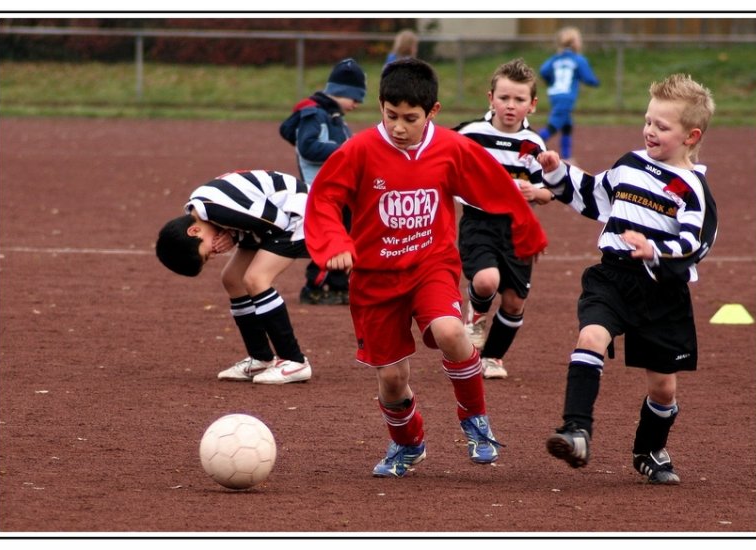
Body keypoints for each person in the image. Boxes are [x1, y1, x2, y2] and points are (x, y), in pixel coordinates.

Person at [303, 58, 548, 477]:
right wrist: (335, 243)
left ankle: (475, 421)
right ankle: (408, 443)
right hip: (375, 279)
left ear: (432, 112)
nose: (399, 127)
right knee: (393, 379)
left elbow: (494, 186)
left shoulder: (451, 148)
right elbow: (323, 199)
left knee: (452, 331)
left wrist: (527, 232)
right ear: (380, 106)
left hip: (430, 264)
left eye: (410, 118)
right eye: (391, 115)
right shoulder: (358, 151)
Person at [537, 74, 717, 484]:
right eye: (648, 121)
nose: (650, 130)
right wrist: (557, 172)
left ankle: (649, 449)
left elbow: (696, 243)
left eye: (662, 126)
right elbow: (592, 194)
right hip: (612, 277)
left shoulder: (692, 189)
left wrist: (655, 250)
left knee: (664, 390)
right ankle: (576, 430)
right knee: (590, 338)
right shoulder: (629, 164)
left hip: (661, 290)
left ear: (691, 136)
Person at [155, 169, 313, 385]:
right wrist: (234, 234)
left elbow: (276, 222)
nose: (214, 254)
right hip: (269, 222)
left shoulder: (220, 211)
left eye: (207, 253)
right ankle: (261, 358)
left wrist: (234, 235)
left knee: (256, 278)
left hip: (299, 214)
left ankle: (294, 361)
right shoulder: (200, 209)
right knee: (232, 279)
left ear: (194, 232)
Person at [453, 58, 554, 380]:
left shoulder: (534, 145)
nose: (510, 106)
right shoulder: (470, 134)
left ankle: (492, 357)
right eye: (504, 98)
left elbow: (550, 190)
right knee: (486, 281)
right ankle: (477, 314)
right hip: (479, 222)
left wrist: (534, 193)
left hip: (518, 228)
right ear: (491, 98)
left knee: (514, 301)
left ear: (532, 105)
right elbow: (440, 158)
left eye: (519, 100)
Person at [279, 58, 367, 306]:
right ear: (341, 92)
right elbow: (308, 147)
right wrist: (345, 148)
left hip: (342, 191)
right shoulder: (315, 114)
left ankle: (339, 284)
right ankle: (314, 285)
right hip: (323, 192)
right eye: (355, 98)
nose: (357, 105)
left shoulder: (334, 116)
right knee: (330, 238)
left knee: (346, 236)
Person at [538, 26, 600, 162]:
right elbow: (589, 78)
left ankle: (566, 156)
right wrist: (595, 82)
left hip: (554, 94)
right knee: (554, 125)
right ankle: (532, 143)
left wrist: (551, 81)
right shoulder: (578, 59)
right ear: (574, 43)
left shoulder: (555, 59)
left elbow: (543, 70)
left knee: (567, 125)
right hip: (566, 97)